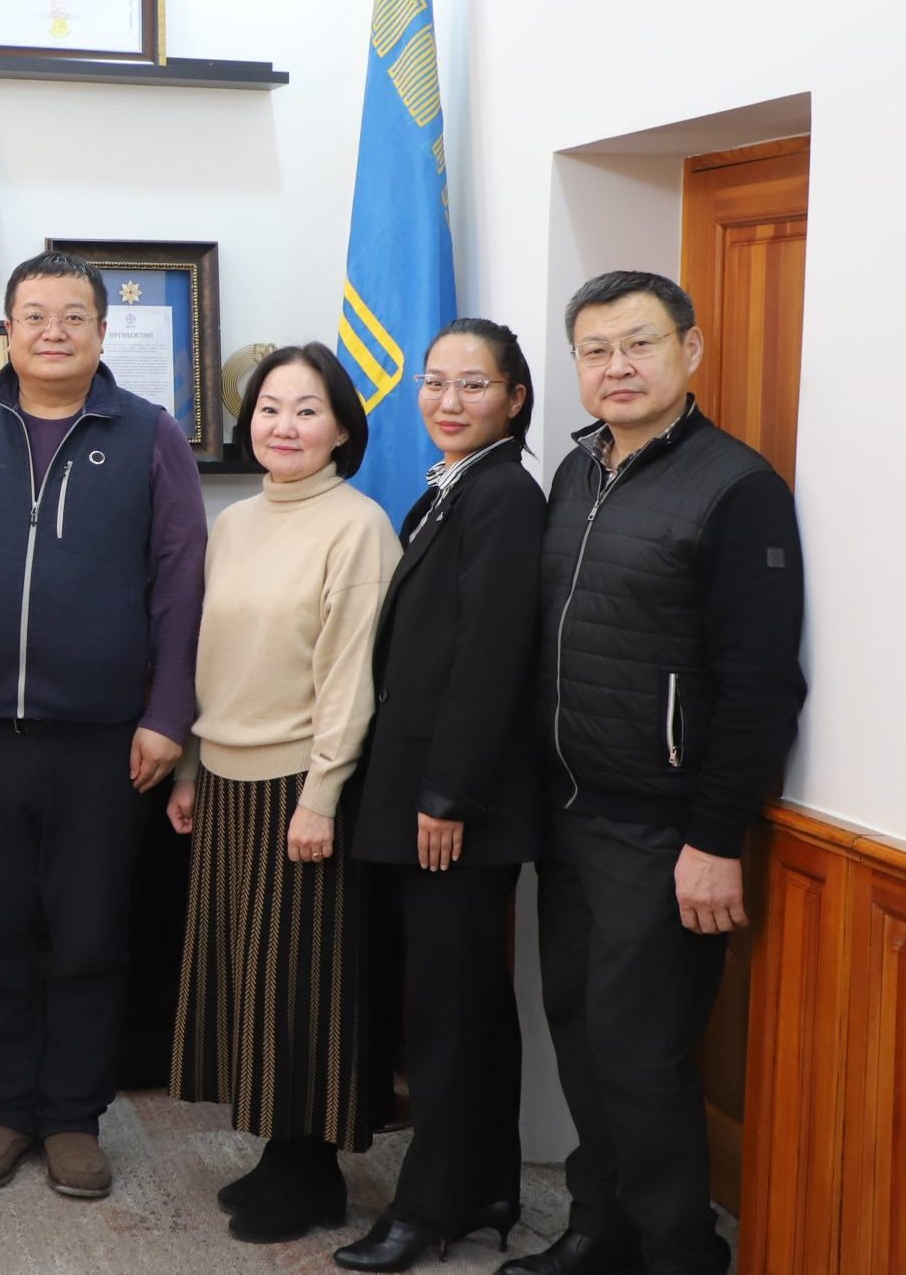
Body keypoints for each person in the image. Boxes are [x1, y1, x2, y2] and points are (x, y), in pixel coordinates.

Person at [505, 272, 804, 1275]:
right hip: (567, 811)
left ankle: (680, 1251)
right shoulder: (575, 470)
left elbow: (762, 684)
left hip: (661, 827)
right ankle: (601, 1229)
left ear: (691, 350)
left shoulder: (737, 487)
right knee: (580, 1032)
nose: (617, 366)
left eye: (638, 343)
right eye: (595, 350)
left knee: (641, 1053)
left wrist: (715, 837)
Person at [0, 251, 206, 1200]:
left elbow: (181, 582)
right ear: (6, 329)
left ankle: (72, 1118)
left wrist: (167, 714)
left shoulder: (147, 432)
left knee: (88, 939)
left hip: (104, 739)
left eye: (73, 316)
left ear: (100, 329)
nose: (53, 331)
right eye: (35, 315)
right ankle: (4, 1111)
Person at [169, 341, 397, 1244]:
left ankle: (312, 1172)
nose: (284, 426)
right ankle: (278, 1149)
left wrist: (322, 794)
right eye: (268, 408)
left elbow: (351, 678)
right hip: (226, 779)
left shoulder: (358, 526)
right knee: (248, 980)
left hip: (300, 784)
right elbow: (211, 658)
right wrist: (190, 766)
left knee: (303, 985)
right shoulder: (234, 522)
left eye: (306, 410)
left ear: (341, 427)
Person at [333, 320, 544, 1272]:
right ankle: (487, 1184)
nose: (446, 401)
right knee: (466, 1003)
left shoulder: (503, 496)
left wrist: (447, 795)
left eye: (472, 385)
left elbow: (488, 656)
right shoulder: (450, 487)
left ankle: (428, 1208)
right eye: (433, 381)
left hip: (452, 807)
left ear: (514, 398)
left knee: (448, 1016)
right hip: (419, 791)